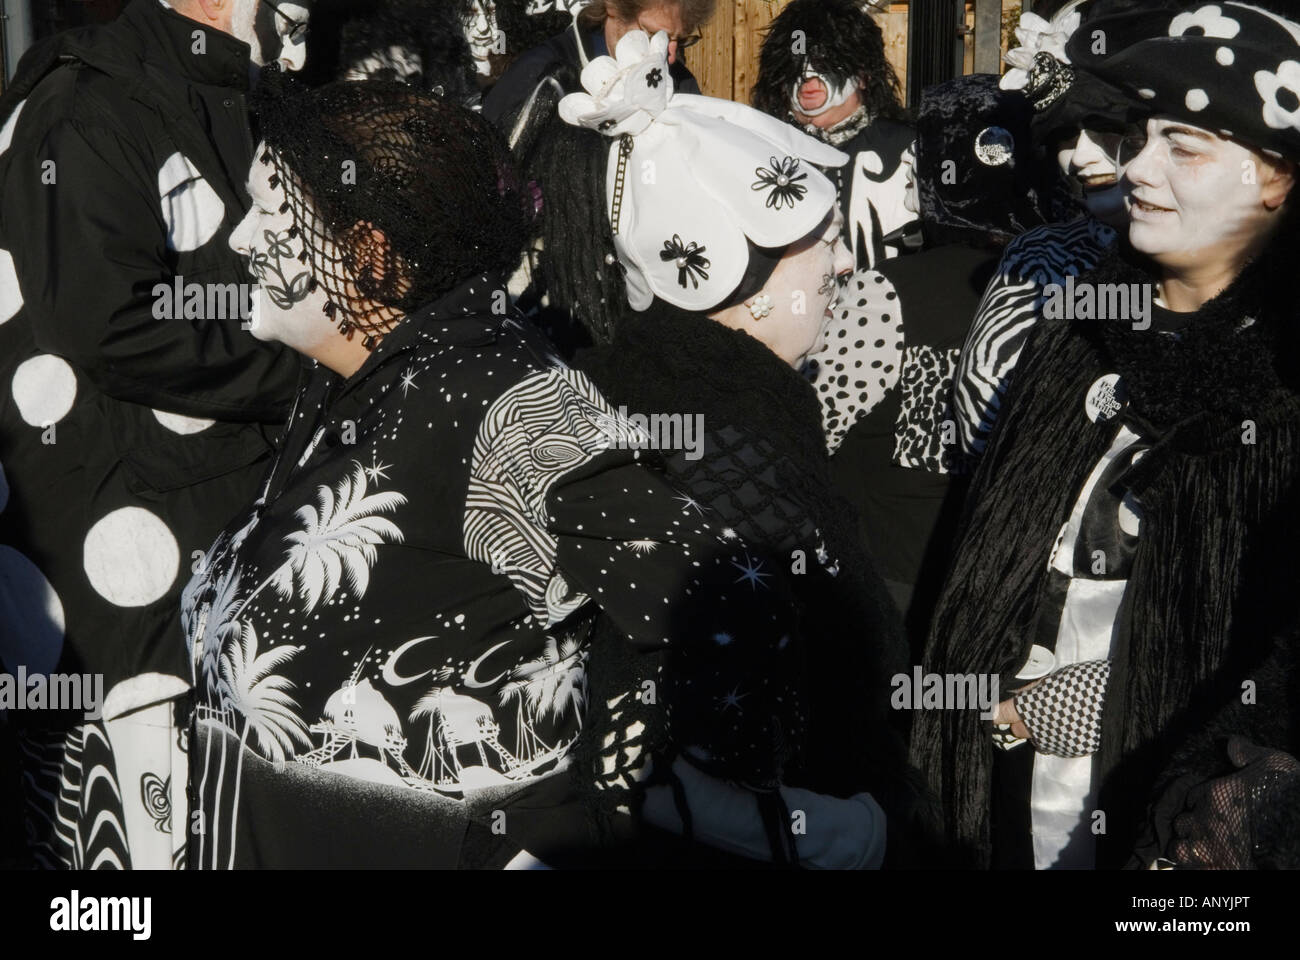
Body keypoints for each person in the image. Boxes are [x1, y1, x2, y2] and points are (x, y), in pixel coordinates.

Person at [186, 71, 885, 869]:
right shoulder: (345, 385)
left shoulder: (497, 400)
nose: (240, 240)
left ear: (369, 257)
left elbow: (733, 605)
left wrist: (575, 813)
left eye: (268, 216)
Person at [911, 0, 1300, 870]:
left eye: (1185, 149)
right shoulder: (1077, 332)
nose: (1138, 172)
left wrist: (1116, 696)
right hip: (998, 809)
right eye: (1142, 139)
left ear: (1274, 177)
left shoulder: (1284, 389)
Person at [516, 27, 911, 861]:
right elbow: (666, 764)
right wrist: (861, 837)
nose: (841, 269)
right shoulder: (730, 447)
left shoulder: (663, 390)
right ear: (748, 284)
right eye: (823, 244)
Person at [0, 0, 311, 869]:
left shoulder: (221, 89)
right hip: (127, 572)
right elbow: (108, 323)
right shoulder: (88, 108)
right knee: (133, 852)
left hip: (212, 537)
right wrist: (308, 367)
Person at [809, 74, 1047, 654]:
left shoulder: (879, 290)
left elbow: (814, 432)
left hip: (896, 588)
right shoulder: (1064, 286)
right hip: (1009, 590)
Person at [952, 0, 1172, 460]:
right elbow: (985, 419)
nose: (1082, 158)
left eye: (1105, 130)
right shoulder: (1041, 260)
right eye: (1065, 138)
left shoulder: (1237, 252)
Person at [753, 0, 913, 271]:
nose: (807, 75)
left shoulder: (908, 152)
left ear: (862, 76)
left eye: (824, 62)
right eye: (796, 64)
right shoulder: (764, 153)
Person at [482, 0, 710, 129]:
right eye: (653, 34)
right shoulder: (539, 76)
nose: (670, 56)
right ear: (614, 8)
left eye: (680, 40)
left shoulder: (679, 82)